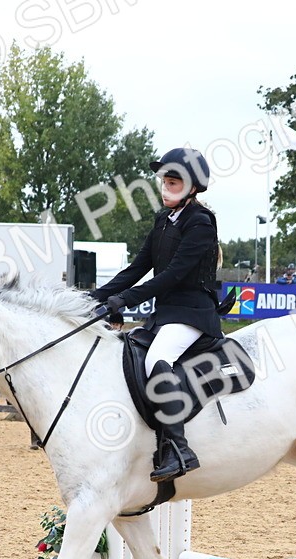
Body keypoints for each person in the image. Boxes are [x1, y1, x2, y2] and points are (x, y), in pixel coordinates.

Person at [89, 147, 221, 482]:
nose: (166, 186)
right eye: (164, 180)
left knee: (156, 358)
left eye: (174, 181)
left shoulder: (200, 223)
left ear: (193, 187)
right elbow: (138, 268)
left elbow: (172, 275)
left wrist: (124, 301)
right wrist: (94, 298)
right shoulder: (164, 220)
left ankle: (178, 449)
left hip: (193, 314)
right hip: (165, 315)